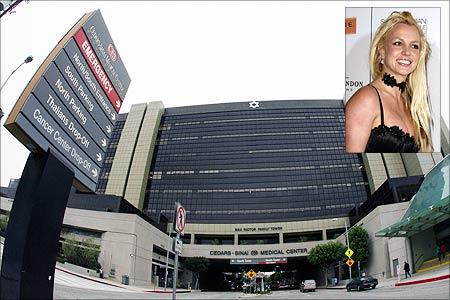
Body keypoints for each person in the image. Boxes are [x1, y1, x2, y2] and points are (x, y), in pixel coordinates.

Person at [346, 11, 433, 153]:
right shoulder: (366, 99)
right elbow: (349, 165)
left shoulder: (414, 103)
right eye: (398, 43)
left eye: (414, 46)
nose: (407, 52)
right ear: (382, 51)